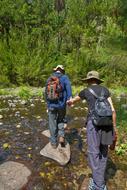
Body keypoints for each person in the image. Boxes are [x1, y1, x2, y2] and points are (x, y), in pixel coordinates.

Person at [67, 71, 117, 190]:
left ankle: (99, 185)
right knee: (104, 152)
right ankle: (99, 180)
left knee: (93, 153)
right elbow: (113, 110)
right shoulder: (106, 90)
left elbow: (73, 101)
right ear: (98, 81)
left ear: (88, 81)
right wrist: (114, 128)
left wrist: (70, 102)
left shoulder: (86, 91)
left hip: (93, 124)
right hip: (107, 124)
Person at [45, 65, 72, 149]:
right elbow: (69, 89)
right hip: (61, 105)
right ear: (62, 70)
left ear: (56, 70)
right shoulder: (65, 77)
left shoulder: (50, 78)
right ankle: (61, 136)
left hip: (51, 105)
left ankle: (53, 142)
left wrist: (47, 104)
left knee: (52, 123)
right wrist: (69, 99)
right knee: (61, 119)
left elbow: (45, 92)